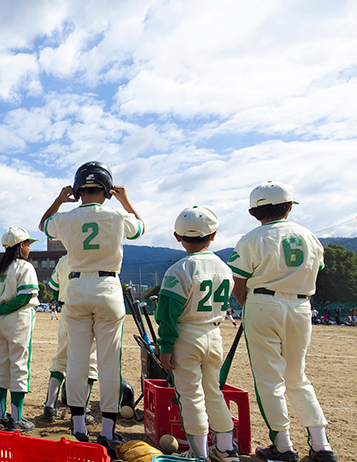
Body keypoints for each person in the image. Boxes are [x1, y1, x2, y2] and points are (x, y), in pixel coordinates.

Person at [38, 161, 144, 454]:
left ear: (78, 188)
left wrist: (60, 199)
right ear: (107, 190)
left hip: (75, 287)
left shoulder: (68, 218)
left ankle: (78, 426)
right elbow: (140, 229)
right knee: (109, 361)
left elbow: (43, 224)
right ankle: (107, 430)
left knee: (76, 358)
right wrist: (124, 199)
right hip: (108, 286)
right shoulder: (117, 214)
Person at [230, 181, 337, 462]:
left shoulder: (251, 238)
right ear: (289, 207)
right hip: (301, 305)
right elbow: (319, 269)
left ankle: (283, 445)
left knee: (269, 379)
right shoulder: (309, 236)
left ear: (253, 212)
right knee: (297, 377)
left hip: (263, 302)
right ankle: (321, 444)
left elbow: (238, 285)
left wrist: (249, 307)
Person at [155, 206, 238, 462]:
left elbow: (167, 313)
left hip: (186, 334)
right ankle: (226, 448)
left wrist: (166, 346)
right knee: (213, 391)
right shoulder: (224, 268)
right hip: (214, 333)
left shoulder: (180, 269)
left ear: (177, 236)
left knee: (190, 396)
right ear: (213, 235)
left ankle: (199, 453)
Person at [0, 227, 40, 431]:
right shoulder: (25, 267)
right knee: (19, 366)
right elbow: (25, 297)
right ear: (21, 245)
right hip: (19, 318)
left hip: (2, 323)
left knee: (2, 366)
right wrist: (3, 308)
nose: (29, 249)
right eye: (28, 244)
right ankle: (16, 418)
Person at [42, 255, 98, 425]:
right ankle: (83, 408)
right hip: (92, 309)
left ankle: (50, 405)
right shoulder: (99, 254)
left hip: (69, 308)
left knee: (62, 356)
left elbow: (54, 288)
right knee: (90, 360)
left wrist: (61, 305)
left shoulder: (63, 259)